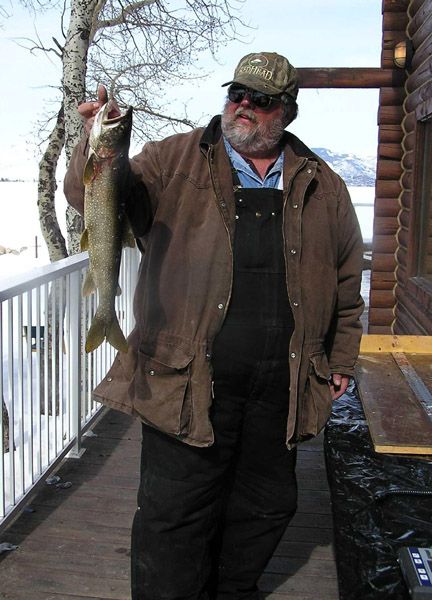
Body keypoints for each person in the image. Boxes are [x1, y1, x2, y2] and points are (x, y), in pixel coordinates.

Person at [64, 51, 364, 600]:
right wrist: (94, 144)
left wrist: (340, 360)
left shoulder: (324, 186)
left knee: (266, 507)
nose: (243, 106)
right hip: (185, 380)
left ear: (287, 112)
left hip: (283, 384)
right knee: (174, 513)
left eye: (261, 100)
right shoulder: (171, 161)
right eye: (236, 93)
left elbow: (347, 283)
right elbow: (93, 197)